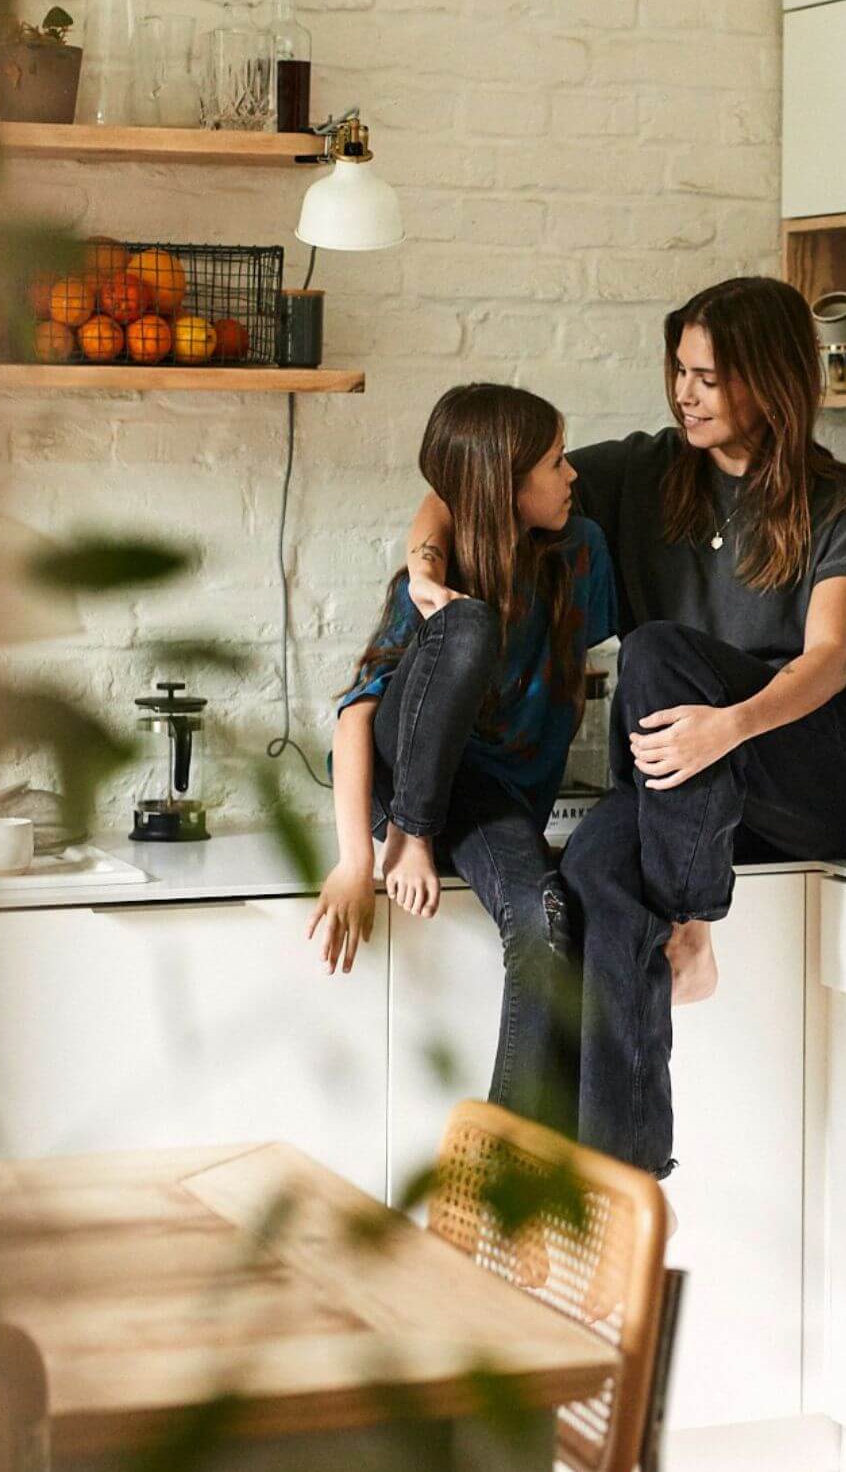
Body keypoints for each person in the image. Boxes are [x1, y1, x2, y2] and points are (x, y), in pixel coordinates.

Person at [401, 276, 846, 1178]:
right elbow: (476, 474)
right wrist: (423, 562)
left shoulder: (832, 494)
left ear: (771, 380)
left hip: (821, 770)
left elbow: (826, 659)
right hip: (697, 798)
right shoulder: (646, 469)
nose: (685, 393)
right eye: (678, 371)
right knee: (593, 870)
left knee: (662, 649)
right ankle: (619, 1177)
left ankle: (694, 929)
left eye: (707, 377)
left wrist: (730, 728)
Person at [307, 382, 619, 1134]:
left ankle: (509, 1164)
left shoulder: (583, 553)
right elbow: (356, 716)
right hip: (406, 774)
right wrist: (363, 858)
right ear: (503, 486)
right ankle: (410, 829)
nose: (571, 474)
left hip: (491, 801)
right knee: (469, 624)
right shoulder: (430, 592)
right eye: (554, 463)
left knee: (548, 924)